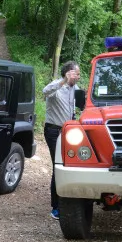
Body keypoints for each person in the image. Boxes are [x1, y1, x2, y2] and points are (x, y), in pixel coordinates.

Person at [43, 61, 80, 220]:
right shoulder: (57, 86)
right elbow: (45, 91)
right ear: (69, 73)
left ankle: (70, 201)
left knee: (70, 165)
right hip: (53, 130)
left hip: (69, 131)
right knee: (58, 166)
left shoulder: (75, 89)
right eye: (76, 74)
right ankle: (56, 207)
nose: (78, 77)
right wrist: (64, 80)